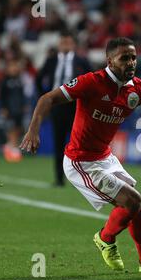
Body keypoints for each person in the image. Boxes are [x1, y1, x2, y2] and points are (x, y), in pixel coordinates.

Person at [20, 37, 141, 274]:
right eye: (124, 58)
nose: (131, 63)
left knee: (135, 207)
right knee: (132, 200)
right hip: (81, 161)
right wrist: (33, 129)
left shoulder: (137, 88)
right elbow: (48, 98)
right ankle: (105, 238)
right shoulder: (91, 82)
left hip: (105, 157)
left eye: (133, 57)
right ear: (109, 61)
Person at [36, 30, 92, 186]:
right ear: (59, 44)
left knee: (78, 143)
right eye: (63, 42)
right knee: (59, 142)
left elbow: (93, 81)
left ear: (73, 44)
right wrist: (45, 97)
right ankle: (59, 179)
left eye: (68, 42)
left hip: (76, 106)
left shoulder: (82, 61)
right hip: (57, 106)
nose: (65, 45)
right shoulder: (51, 60)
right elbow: (39, 78)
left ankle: (81, 180)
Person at [0, 59, 27, 163]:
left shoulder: (19, 80)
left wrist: (24, 105)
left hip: (19, 108)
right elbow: (2, 96)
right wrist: (3, 108)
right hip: (10, 108)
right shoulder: (5, 81)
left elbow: (22, 94)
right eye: (12, 67)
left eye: (15, 66)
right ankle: (13, 148)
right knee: (11, 128)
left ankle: (10, 146)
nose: (14, 69)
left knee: (19, 128)